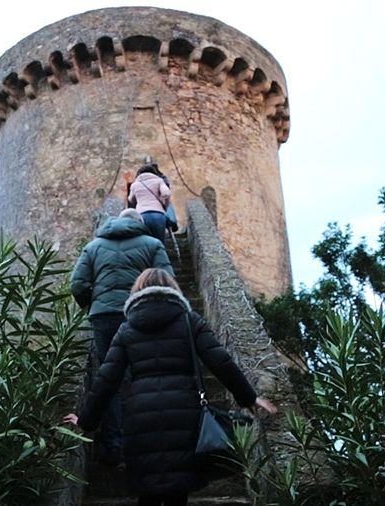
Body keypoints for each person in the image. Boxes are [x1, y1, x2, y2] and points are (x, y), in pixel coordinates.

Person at [64, 268, 278, 506]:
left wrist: (86, 421)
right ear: (173, 289)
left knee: (148, 491)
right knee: (178, 489)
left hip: (140, 416)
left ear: (137, 291)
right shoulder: (189, 321)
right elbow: (220, 361)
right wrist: (249, 397)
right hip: (184, 412)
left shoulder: (126, 329)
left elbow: (107, 379)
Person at [70, 209, 174, 466]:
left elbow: (78, 284)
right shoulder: (152, 244)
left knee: (109, 378)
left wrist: (93, 302)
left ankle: (113, 445)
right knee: (143, 375)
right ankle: (145, 443)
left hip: (103, 318)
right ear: (139, 224)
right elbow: (167, 281)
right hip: (138, 314)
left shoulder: (94, 246)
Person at [128, 163, 172, 242]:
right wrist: (165, 205)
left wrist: (137, 200)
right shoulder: (159, 181)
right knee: (159, 241)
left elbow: (130, 199)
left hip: (141, 215)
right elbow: (166, 194)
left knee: (144, 242)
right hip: (158, 214)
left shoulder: (135, 184)